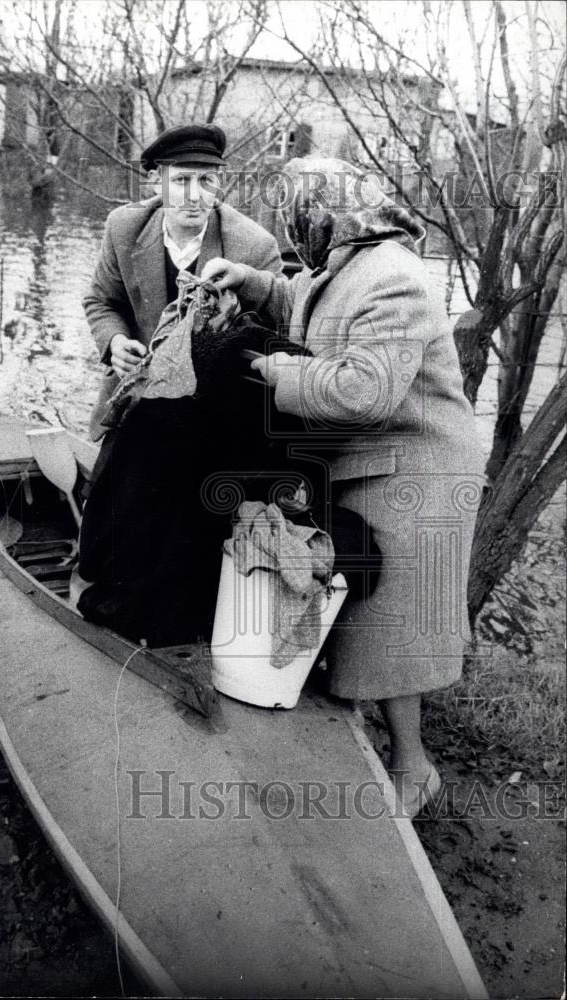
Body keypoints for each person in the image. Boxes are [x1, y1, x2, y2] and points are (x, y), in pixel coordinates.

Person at [202, 157, 485, 817]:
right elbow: (307, 299)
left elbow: (364, 390)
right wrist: (248, 281)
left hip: (417, 467)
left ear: (322, 209)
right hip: (376, 460)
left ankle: (413, 769)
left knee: (389, 628)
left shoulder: (395, 279)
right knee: (360, 615)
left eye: (297, 212)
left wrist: (270, 368)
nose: (293, 227)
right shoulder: (352, 262)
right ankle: (362, 745)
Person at [83, 123, 283, 442]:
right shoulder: (123, 228)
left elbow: (275, 331)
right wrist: (115, 343)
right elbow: (102, 301)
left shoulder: (255, 246)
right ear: (155, 183)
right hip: (136, 397)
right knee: (106, 488)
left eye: (206, 180)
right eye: (180, 180)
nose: (194, 196)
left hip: (214, 413)